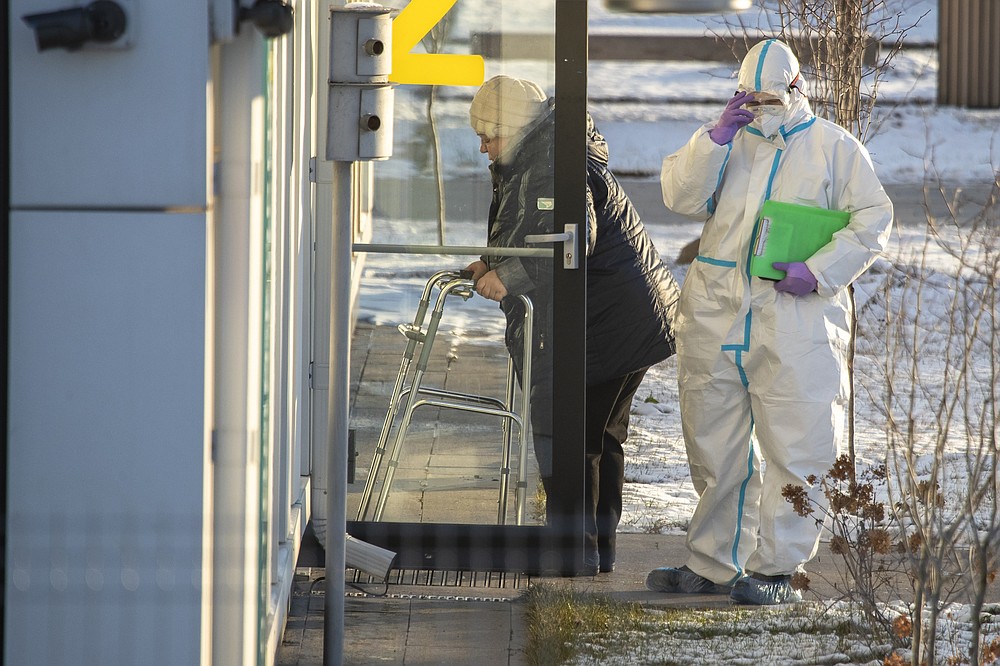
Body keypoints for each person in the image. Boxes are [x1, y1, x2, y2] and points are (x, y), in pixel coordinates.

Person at [646, 39, 893, 604]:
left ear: (798, 88)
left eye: (771, 99)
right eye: (749, 99)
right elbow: (679, 198)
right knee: (713, 442)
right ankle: (713, 563)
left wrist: (820, 270)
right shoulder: (726, 144)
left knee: (797, 441)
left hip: (796, 320)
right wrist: (714, 139)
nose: (761, 109)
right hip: (717, 316)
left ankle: (778, 571)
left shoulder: (834, 149)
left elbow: (874, 218)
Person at [465, 75, 680, 575]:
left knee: (572, 436)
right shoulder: (542, 150)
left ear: (512, 127)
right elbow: (536, 227)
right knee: (599, 439)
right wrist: (491, 262)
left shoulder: (553, 160)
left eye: (487, 135)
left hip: (609, 323)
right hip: (626, 317)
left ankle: (573, 556)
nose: (481, 148)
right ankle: (593, 554)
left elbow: (570, 242)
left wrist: (511, 274)